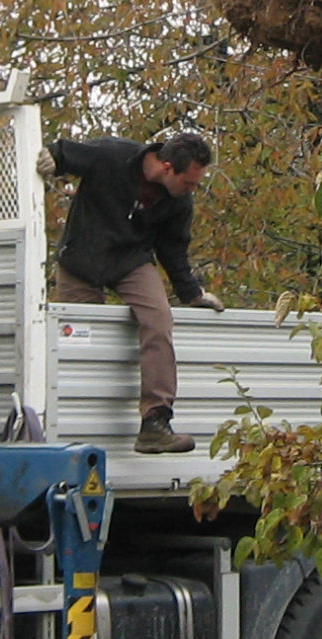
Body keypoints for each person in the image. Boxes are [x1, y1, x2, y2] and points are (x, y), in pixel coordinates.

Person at [39, 130, 224, 454]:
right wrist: (53, 157)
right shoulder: (113, 156)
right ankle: (74, 434)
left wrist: (192, 293)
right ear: (168, 168)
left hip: (131, 261)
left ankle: (155, 422)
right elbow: (68, 152)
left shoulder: (179, 202)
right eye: (190, 183)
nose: (192, 190)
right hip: (82, 257)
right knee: (80, 341)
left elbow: (173, 249)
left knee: (158, 318)